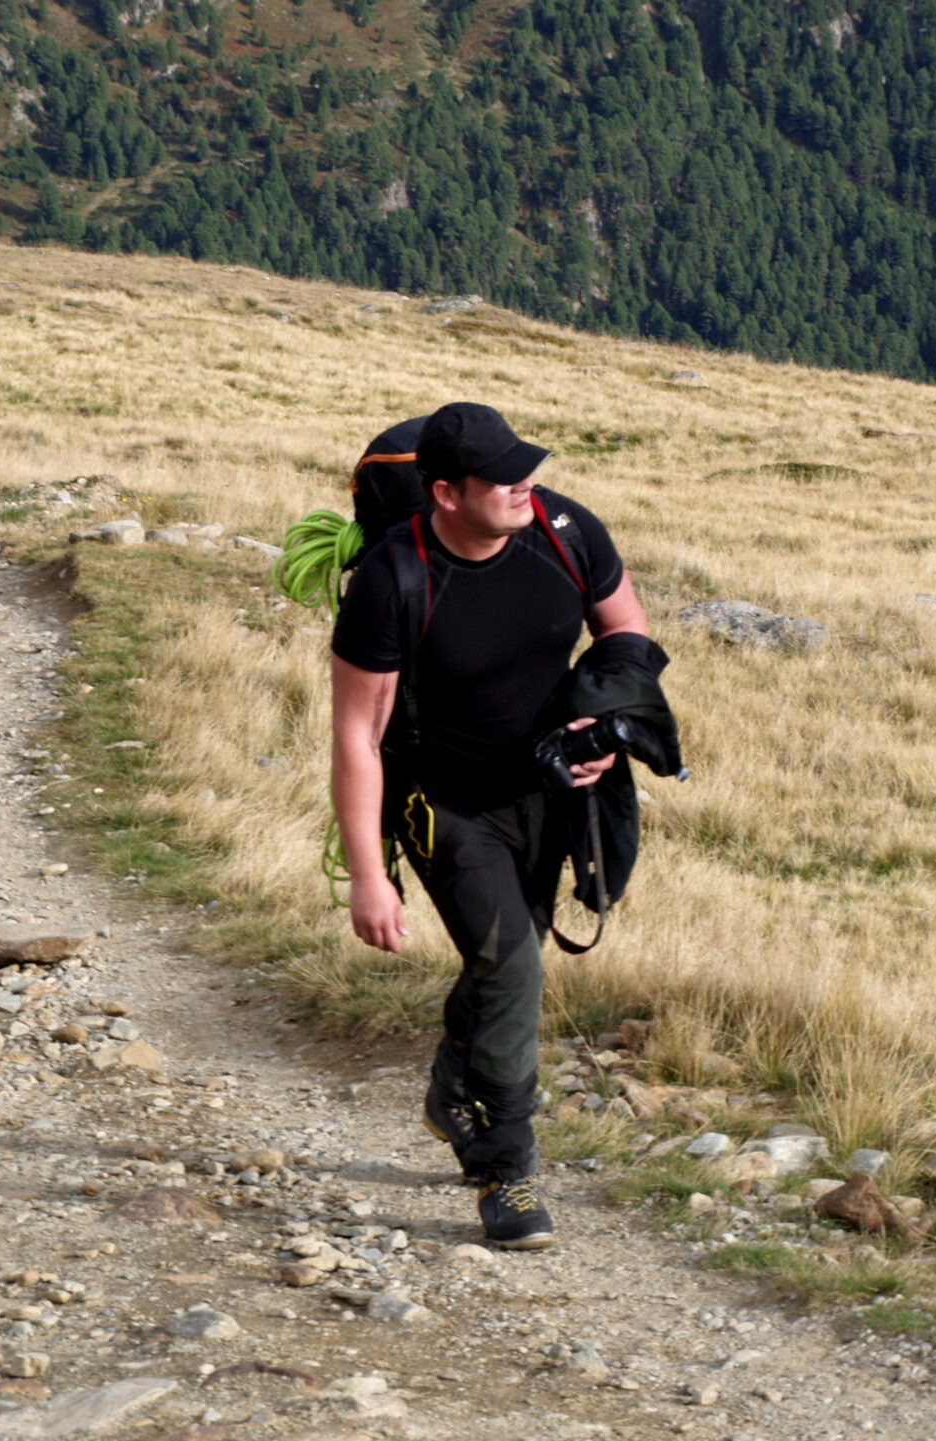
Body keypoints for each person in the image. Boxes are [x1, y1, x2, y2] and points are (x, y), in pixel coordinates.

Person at [329, 401, 649, 1250]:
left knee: (509, 959)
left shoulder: (567, 533)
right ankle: (507, 1167)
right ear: (445, 493)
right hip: (442, 803)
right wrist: (368, 875)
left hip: (546, 791)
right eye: (502, 478)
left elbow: (625, 627)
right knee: (512, 967)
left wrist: (605, 722)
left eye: (526, 469)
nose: (524, 486)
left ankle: (451, 1087)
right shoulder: (392, 579)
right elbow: (357, 736)